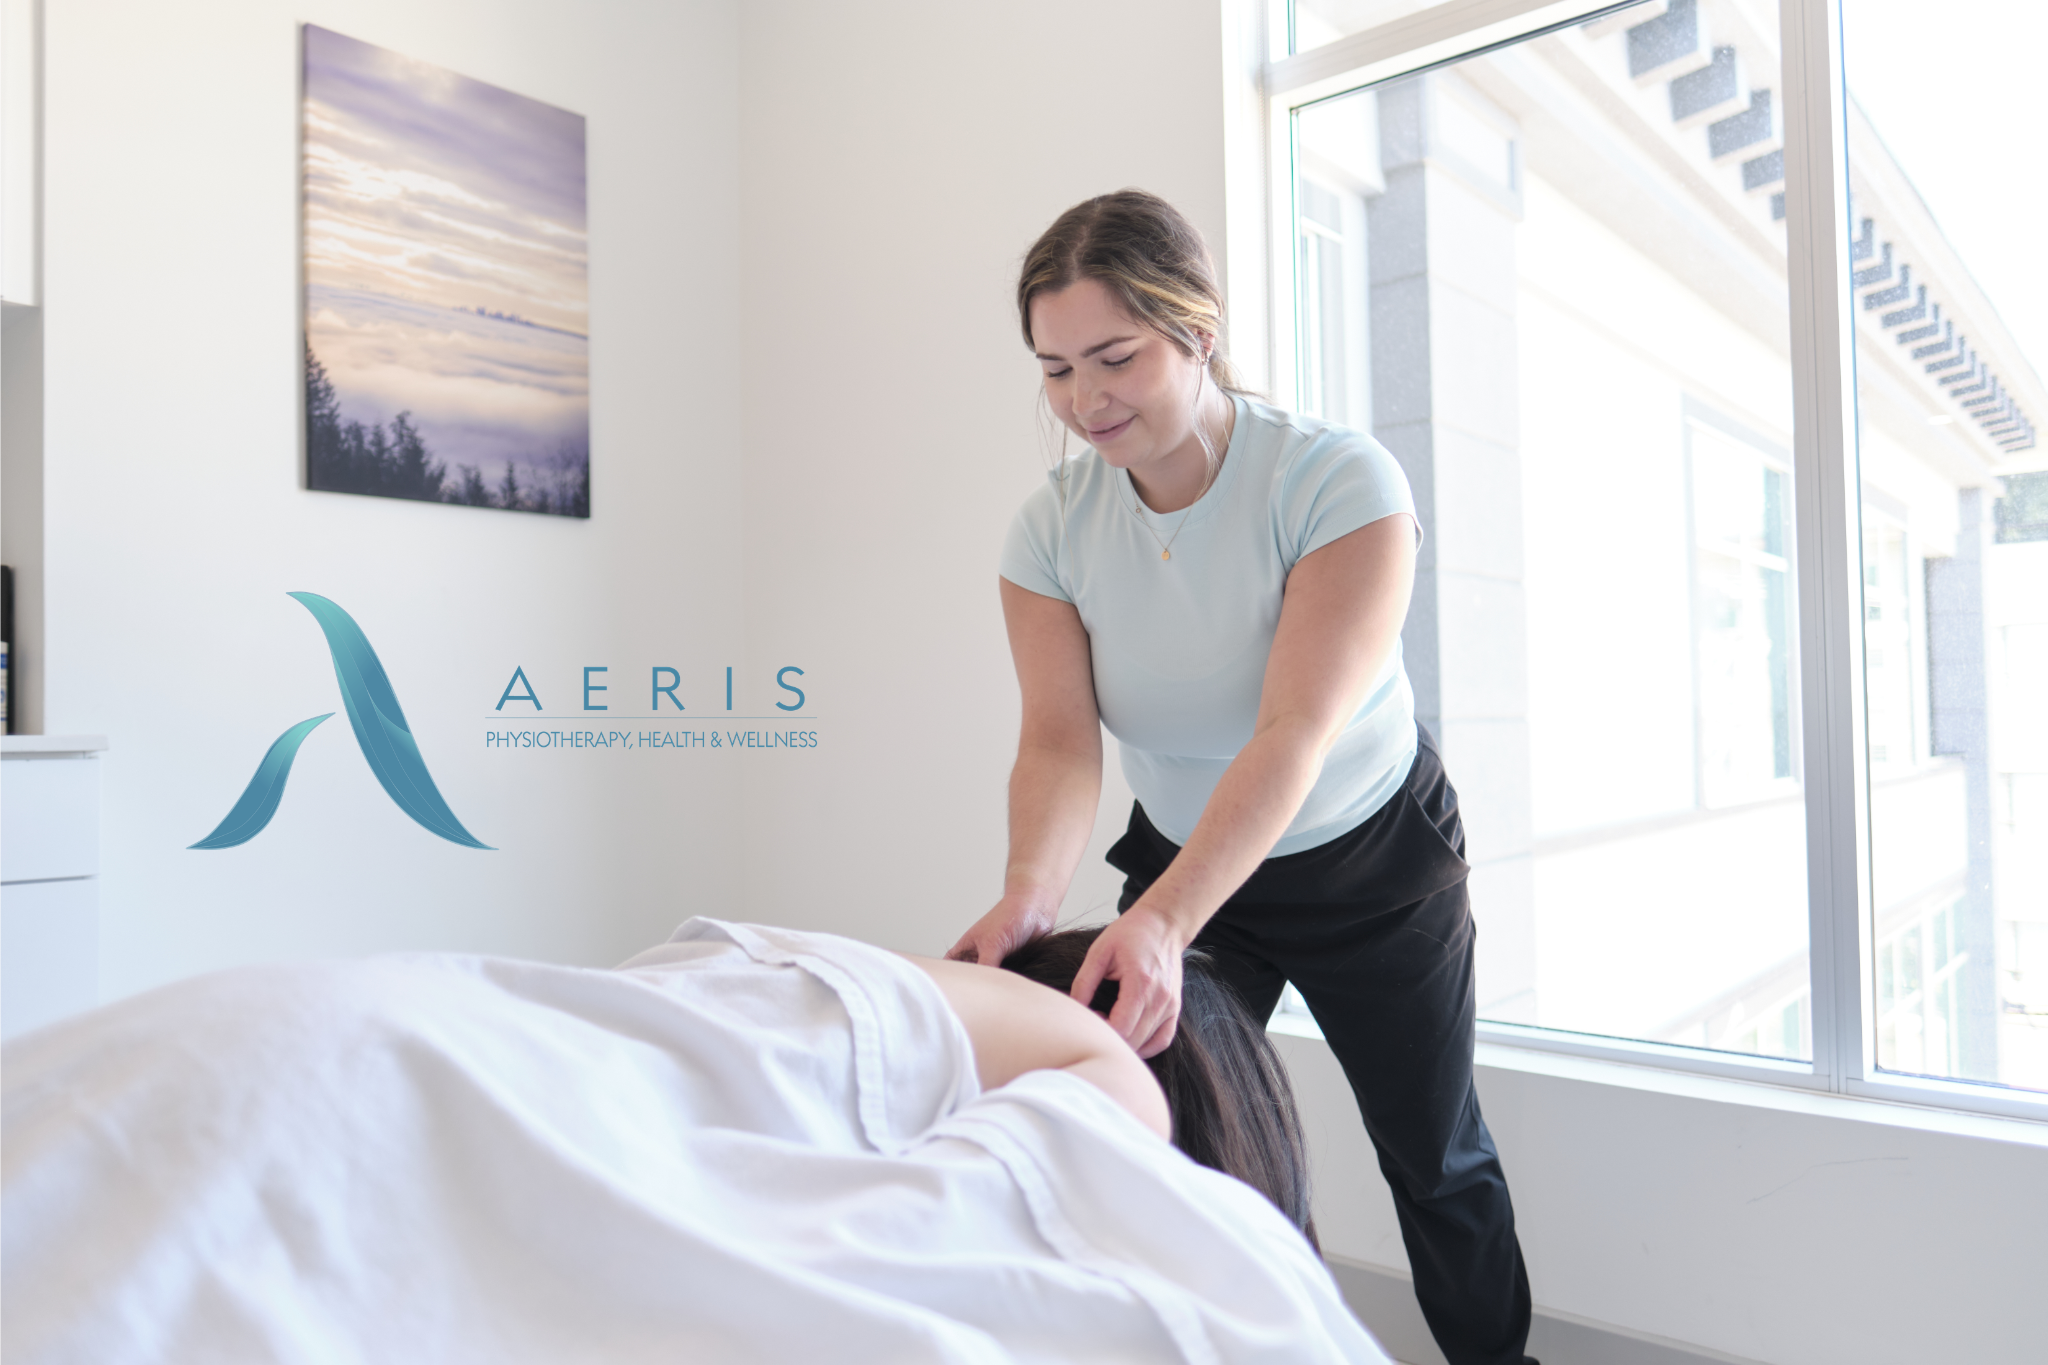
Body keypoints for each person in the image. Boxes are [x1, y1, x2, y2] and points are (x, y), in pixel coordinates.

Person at [949, 189, 1537, 1365]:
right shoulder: (1051, 529)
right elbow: (1058, 741)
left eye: (1115, 357)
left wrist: (1165, 923)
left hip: (1368, 862)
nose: (1083, 399)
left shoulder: (1338, 484)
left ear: (1197, 332)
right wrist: (1028, 896)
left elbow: (1291, 734)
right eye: (1054, 370)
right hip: (1186, 853)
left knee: (1432, 1156)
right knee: (1159, 1138)